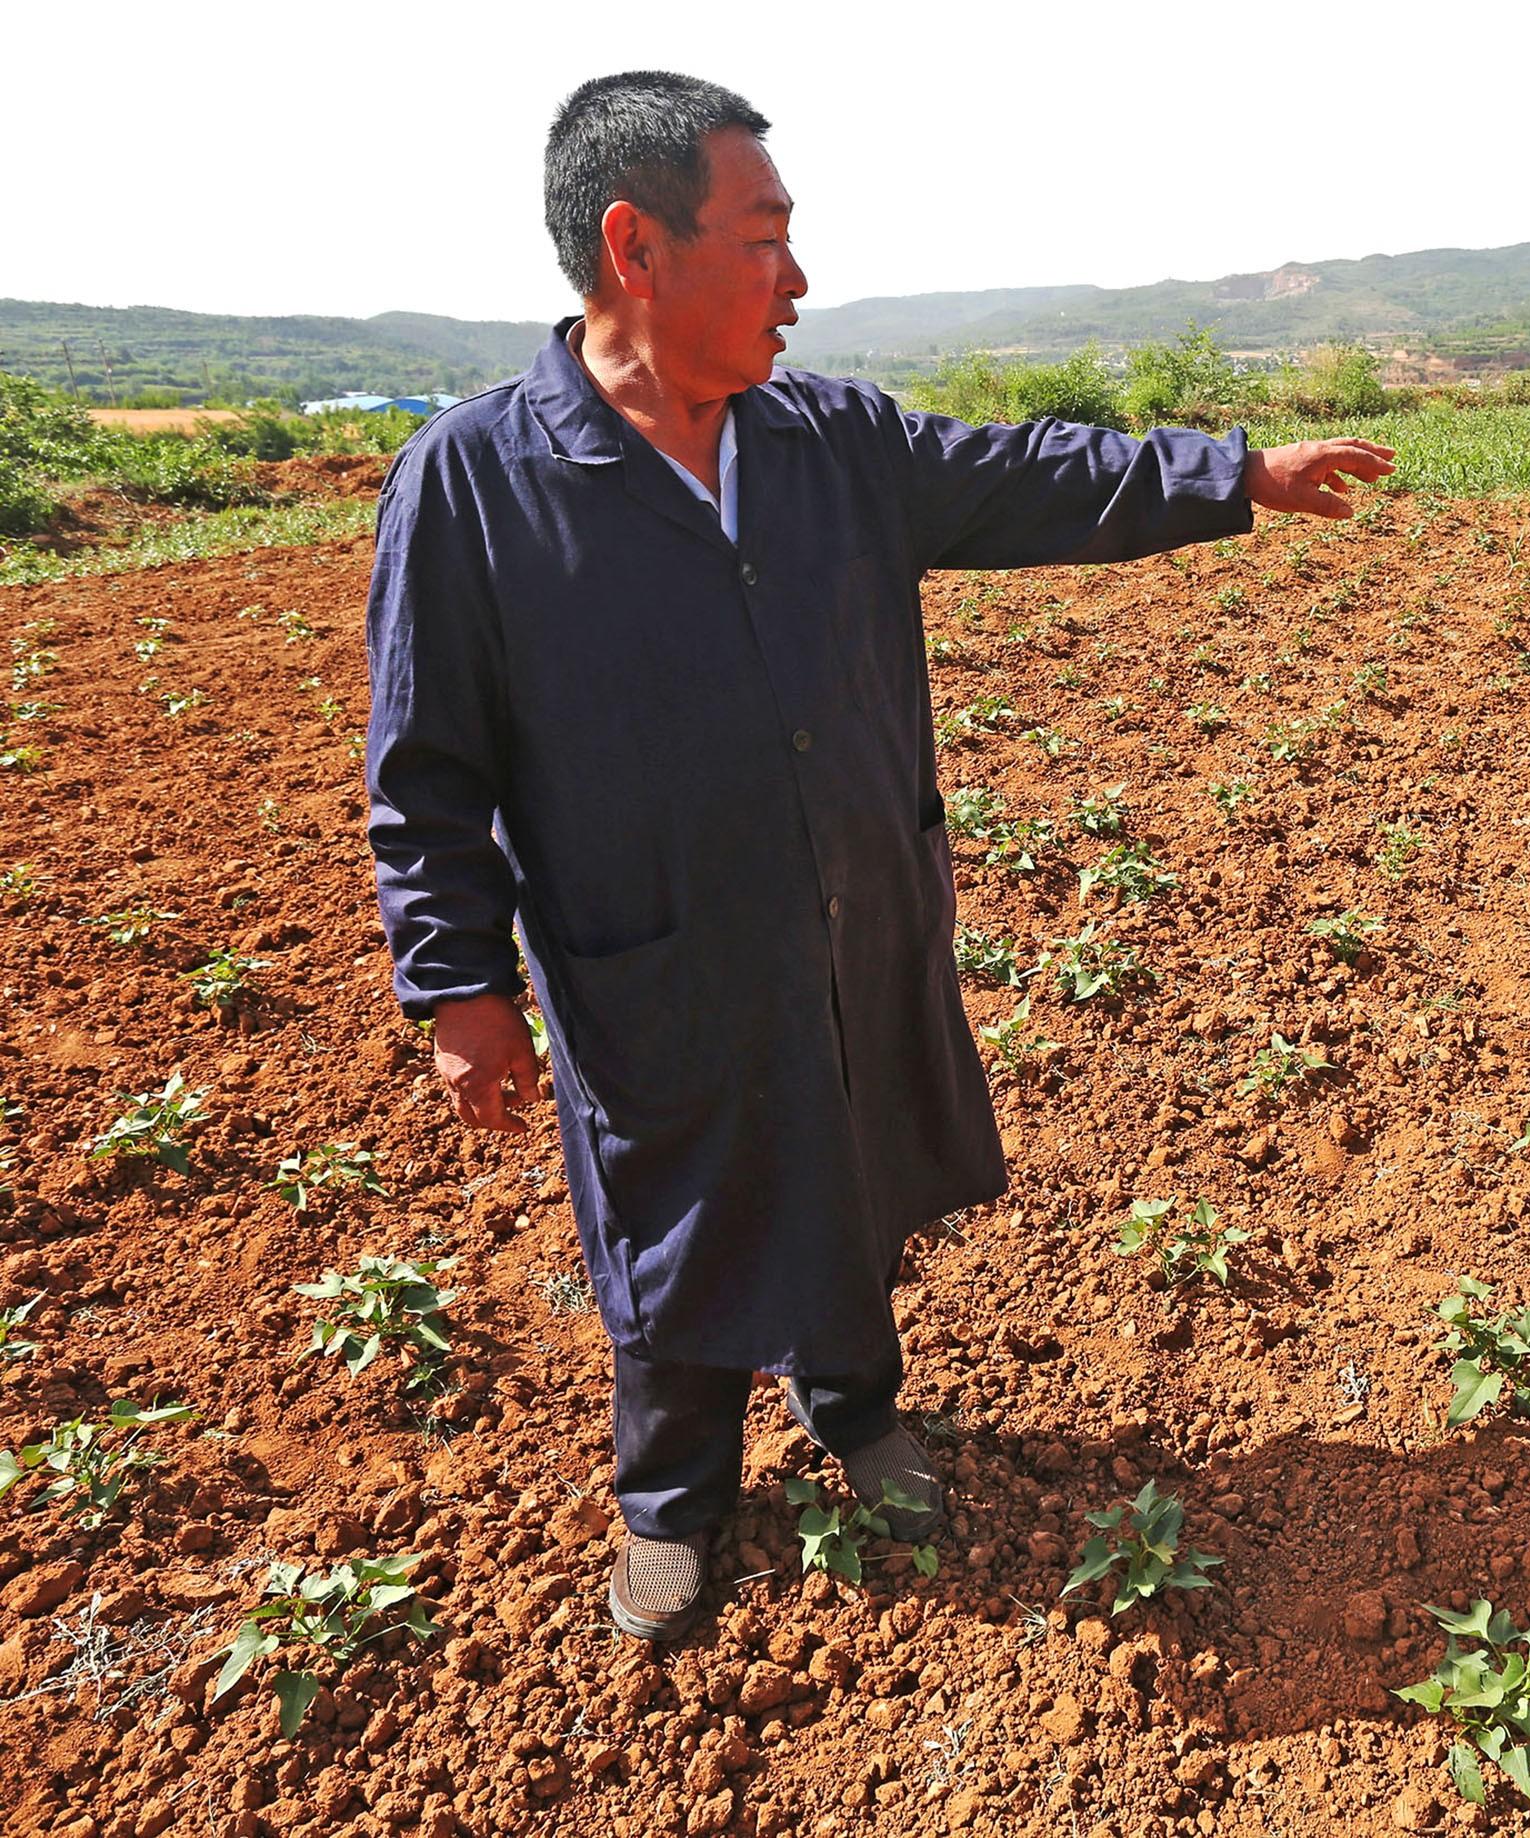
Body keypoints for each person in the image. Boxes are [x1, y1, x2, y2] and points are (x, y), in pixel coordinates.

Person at [362, 68, 1394, 1642]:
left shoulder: (826, 443)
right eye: (765, 234)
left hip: (853, 917)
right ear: (636, 248)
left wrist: (1232, 476)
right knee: (675, 1212)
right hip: (651, 952)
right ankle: (676, 1498)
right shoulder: (475, 484)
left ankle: (857, 1408)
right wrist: (457, 987)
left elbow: (1032, 474)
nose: (796, 277)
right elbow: (427, 772)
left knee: (844, 1168)